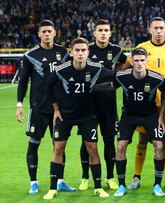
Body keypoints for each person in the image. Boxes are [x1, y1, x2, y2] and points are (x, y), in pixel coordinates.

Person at [43, 37, 111, 200]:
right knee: (58, 148)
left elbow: (114, 76)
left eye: (83, 50)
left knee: (92, 148)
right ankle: (53, 188)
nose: (80, 53)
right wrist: (56, 109)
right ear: (71, 52)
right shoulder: (62, 69)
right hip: (65, 116)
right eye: (77, 50)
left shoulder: (96, 68)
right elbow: (47, 85)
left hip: (87, 116)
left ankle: (98, 187)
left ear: (88, 52)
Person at [15, 19, 75, 194]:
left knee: (59, 145)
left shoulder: (64, 53)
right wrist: (19, 104)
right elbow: (23, 81)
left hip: (60, 109)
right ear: (39, 34)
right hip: (38, 107)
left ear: (55, 33)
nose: (47, 34)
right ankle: (33, 182)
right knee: (34, 144)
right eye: (44, 32)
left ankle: (60, 181)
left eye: (50, 31)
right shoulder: (30, 55)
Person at [126, 17, 165, 190]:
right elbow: (130, 68)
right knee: (143, 138)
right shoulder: (141, 48)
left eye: (162, 28)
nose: (159, 31)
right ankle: (137, 176)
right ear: (150, 30)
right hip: (146, 102)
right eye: (156, 28)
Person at [79, 19, 127, 191]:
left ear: (110, 33)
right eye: (100, 30)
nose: (103, 33)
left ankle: (110, 177)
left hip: (108, 104)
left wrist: (116, 81)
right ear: (95, 33)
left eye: (106, 30)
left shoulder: (116, 50)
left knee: (108, 141)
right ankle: (85, 177)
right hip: (88, 104)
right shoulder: (87, 49)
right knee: (87, 141)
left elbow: (126, 66)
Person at [112, 48, 165, 197]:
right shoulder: (122, 77)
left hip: (150, 115)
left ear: (146, 62)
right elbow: (110, 89)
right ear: (132, 61)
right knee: (121, 146)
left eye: (142, 60)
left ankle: (157, 185)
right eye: (136, 60)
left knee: (159, 145)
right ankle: (122, 186)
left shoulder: (157, 78)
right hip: (129, 115)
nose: (139, 63)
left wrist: (160, 116)